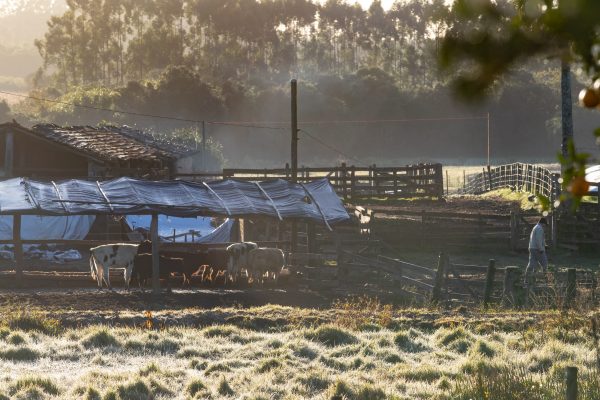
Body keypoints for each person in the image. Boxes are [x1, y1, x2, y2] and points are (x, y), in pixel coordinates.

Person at [524, 217, 548, 285]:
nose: (545, 227)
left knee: (532, 264)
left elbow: (536, 239)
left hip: (532, 248)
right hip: (537, 249)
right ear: (543, 224)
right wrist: (541, 249)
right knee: (544, 263)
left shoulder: (535, 227)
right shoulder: (540, 229)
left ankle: (527, 280)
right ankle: (547, 280)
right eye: (545, 225)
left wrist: (544, 245)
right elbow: (538, 239)